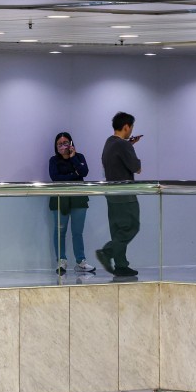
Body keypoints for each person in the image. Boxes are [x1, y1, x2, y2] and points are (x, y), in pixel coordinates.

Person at [96, 111, 143, 277]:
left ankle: (121, 265)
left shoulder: (109, 143)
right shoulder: (124, 145)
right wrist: (130, 148)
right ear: (126, 126)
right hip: (125, 194)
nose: (131, 130)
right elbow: (136, 168)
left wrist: (129, 145)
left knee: (117, 230)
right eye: (131, 127)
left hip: (112, 194)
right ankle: (107, 252)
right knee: (131, 226)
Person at [48, 132, 95, 275]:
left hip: (78, 199)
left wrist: (74, 158)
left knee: (77, 232)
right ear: (56, 146)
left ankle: (81, 261)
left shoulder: (79, 157)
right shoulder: (53, 160)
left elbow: (84, 172)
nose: (63, 146)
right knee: (60, 232)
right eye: (59, 144)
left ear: (71, 143)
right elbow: (55, 178)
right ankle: (61, 261)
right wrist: (74, 175)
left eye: (66, 142)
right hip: (60, 199)